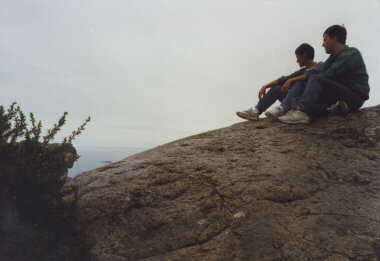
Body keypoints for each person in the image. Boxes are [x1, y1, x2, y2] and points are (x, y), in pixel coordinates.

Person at [278, 25, 370, 124]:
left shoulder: (351, 54)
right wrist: (295, 80)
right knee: (305, 83)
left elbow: (327, 74)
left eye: (325, 40)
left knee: (316, 79)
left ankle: (303, 112)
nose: (323, 44)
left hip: (354, 96)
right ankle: (299, 108)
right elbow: (317, 72)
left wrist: (308, 80)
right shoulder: (332, 58)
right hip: (341, 95)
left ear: (334, 38)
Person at [236, 43, 322, 121]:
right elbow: (284, 79)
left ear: (304, 55)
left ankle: (282, 109)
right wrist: (265, 86)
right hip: (295, 100)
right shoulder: (302, 71)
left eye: (297, 57)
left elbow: (310, 75)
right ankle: (256, 111)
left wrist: (291, 80)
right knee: (277, 89)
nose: (297, 61)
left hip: (307, 103)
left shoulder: (321, 65)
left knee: (299, 82)